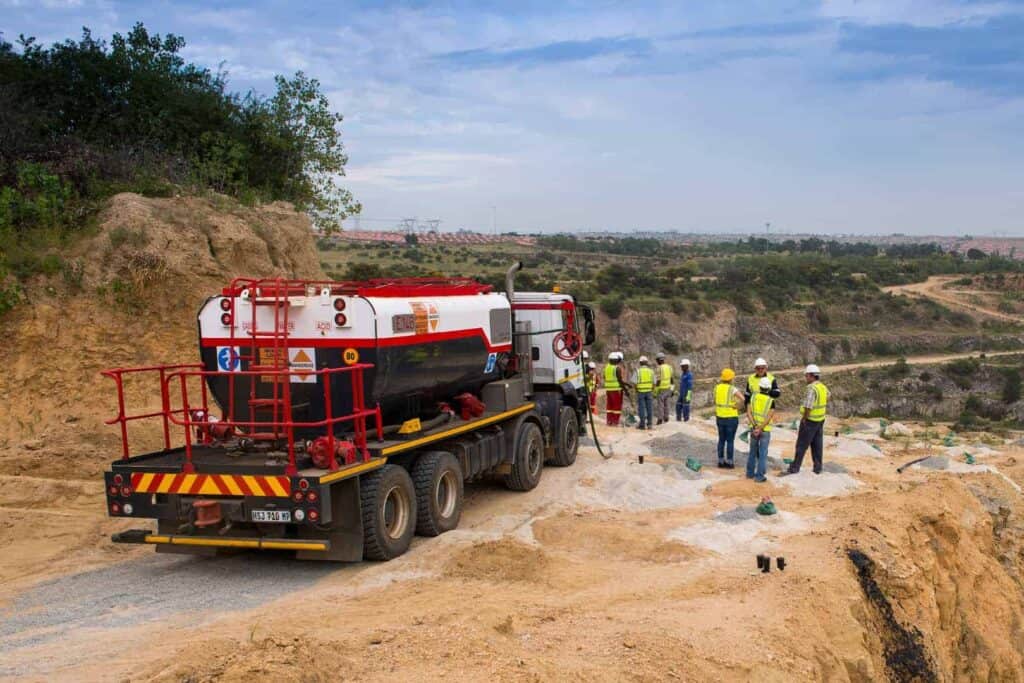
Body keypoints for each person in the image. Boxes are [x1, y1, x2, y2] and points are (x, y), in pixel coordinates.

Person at [785, 364, 829, 475]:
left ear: (811, 376)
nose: (806, 378)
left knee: (801, 445)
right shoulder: (822, 387)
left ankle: (795, 467)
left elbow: (808, 406)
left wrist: (804, 418)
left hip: (810, 421)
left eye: (806, 376)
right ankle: (817, 468)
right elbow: (828, 395)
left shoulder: (811, 389)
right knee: (817, 445)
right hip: (820, 419)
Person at [746, 376, 775, 482]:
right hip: (764, 430)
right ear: (769, 388)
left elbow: (748, 413)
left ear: (760, 387)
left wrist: (754, 426)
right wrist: (760, 428)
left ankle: (749, 473)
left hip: (753, 429)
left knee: (752, 452)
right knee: (763, 454)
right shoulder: (771, 401)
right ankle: (759, 476)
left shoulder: (752, 397)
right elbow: (769, 417)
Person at [714, 368, 744, 468]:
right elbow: (743, 399)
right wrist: (737, 406)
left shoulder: (717, 388)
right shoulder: (732, 389)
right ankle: (730, 462)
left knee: (721, 440)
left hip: (720, 417)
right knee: (730, 441)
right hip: (731, 418)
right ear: (731, 378)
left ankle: (720, 461)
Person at [604, 352, 629, 426]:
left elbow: (605, 377)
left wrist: (627, 384)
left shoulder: (607, 367)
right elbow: (620, 381)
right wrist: (626, 390)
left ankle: (609, 421)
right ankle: (615, 421)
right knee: (617, 406)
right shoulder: (617, 368)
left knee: (609, 406)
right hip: (616, 390)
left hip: (608, 389)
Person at [632, 356, 655, 430]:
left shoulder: (638, 371)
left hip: (641, 392)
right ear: (647, 363)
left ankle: (642, 424)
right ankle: (650, 424)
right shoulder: (651, 371)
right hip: (649, 391)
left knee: (641, 408)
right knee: (649, 408)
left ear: (640, 363)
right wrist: (652, 389)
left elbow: (634, 383)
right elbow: (654, 382)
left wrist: (636, 389)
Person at [653, 352, 674, 425]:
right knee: (667, 404)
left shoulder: (659, 368)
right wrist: (672, 389)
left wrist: (655, 391)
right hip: (668, 388)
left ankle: (660, 419)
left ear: (659, 360)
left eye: (657, 360)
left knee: (660, 405)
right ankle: (666, 417)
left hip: (661, 389)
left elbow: (658, 381)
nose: (656, 361)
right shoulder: (669, 367)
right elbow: (672, 380)